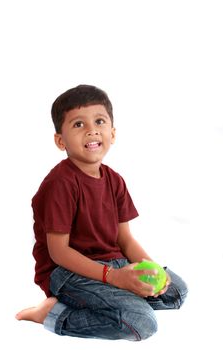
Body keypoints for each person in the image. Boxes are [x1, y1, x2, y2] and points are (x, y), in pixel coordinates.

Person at [16, 84, 188, 341]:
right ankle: (52, 314)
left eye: (99, 121)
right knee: (142, 323)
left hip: (112, 263)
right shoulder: (59, 183)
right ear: (60, 141)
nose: (92, 130)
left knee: (176, 292)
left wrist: (152, 270)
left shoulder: (114, 180)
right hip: (66, 273)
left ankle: (110, 300)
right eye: (78, 125)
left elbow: (125, 240)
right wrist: (115, 278)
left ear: (113, 133)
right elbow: (59, 252)